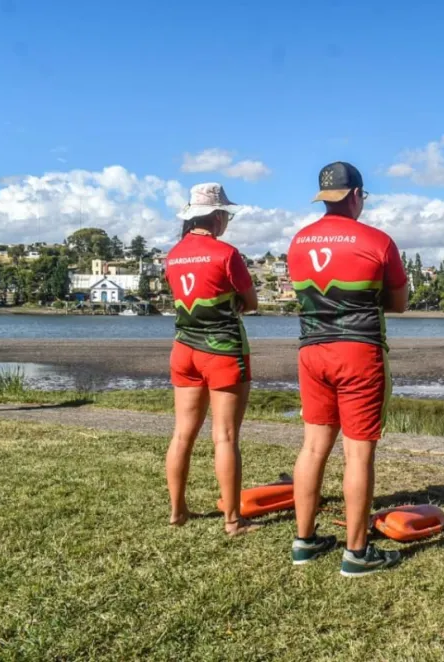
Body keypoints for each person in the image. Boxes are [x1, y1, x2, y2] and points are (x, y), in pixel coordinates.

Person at [286, 162, 409, 576]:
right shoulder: (378, 241)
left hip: (311, 351)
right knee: (358, 454)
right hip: (358, 351)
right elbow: (398, 304)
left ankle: (304, 541)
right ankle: (356, 553)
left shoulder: (299, 241)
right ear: (356, 194)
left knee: (313, 447)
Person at [164, 183, 260, 537]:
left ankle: (177, 511)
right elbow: (250, 303)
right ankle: (232, 521)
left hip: (183, 349)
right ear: (218, 216)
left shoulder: (173, 256)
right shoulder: (226, 254)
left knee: (182, 435)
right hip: (221, 351)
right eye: (227, 215)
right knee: (225, 436)